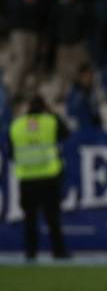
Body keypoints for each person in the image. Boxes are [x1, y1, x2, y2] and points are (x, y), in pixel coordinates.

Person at [8, 95, 70, 261]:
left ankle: (30, 252)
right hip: (48, 177)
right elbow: (66, 132)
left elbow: (11, 152)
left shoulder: (17, 125)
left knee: (30, 218)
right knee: (53, 218)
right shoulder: (50, 122)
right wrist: (53, 112)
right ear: (44, 107)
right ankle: (59, 251)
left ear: (28, 106)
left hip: (27, 178)